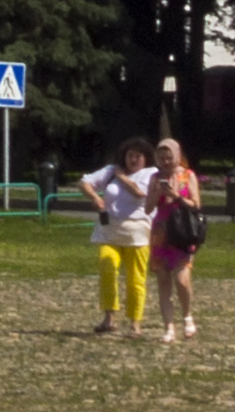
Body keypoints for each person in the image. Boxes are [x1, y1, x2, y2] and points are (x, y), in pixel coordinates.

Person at [84, 139, 156, 333]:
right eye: (130, 155)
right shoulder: (111, 170)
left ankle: (135, 323)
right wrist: (95, 197)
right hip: (109, 230)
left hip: (137, 233)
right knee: (107, 268)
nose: (133, 159)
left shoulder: (151, 173)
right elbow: (84, 182)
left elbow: (140, 193)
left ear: (145, 158)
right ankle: (109, 318)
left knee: (135, 279)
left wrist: (123, 178)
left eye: (138, 156)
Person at [151, 136, 206, 341]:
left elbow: (196, 204)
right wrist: (156, 193)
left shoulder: (187, 175)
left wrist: (176, 195)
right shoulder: (155, 178)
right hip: (160, 232)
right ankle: (168, 328)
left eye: (169, 157)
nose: (165, 162)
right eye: (161, 157)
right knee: (163, 280)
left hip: (182, 231)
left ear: (177, 156)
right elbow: (148, 207)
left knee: (182, 279)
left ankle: (187, 316)